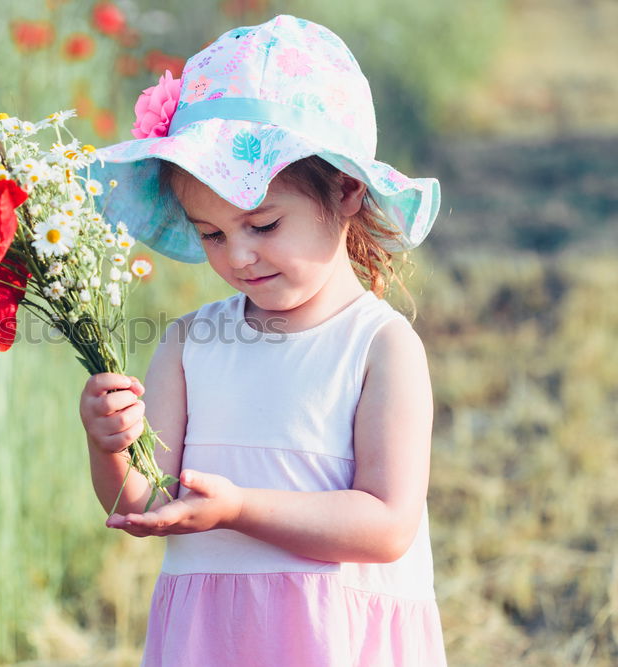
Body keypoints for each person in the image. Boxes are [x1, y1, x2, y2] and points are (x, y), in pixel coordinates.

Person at [80, 14, 447, 666]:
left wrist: (240, 508)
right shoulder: (191, 343)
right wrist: (109, 443)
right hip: (212, 637)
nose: (240, 256)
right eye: (212, 233)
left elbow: (388, 524)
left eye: (264, 223)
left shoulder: (379, 347)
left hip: (331, 637)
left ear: (347, 188)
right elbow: (142, 502)